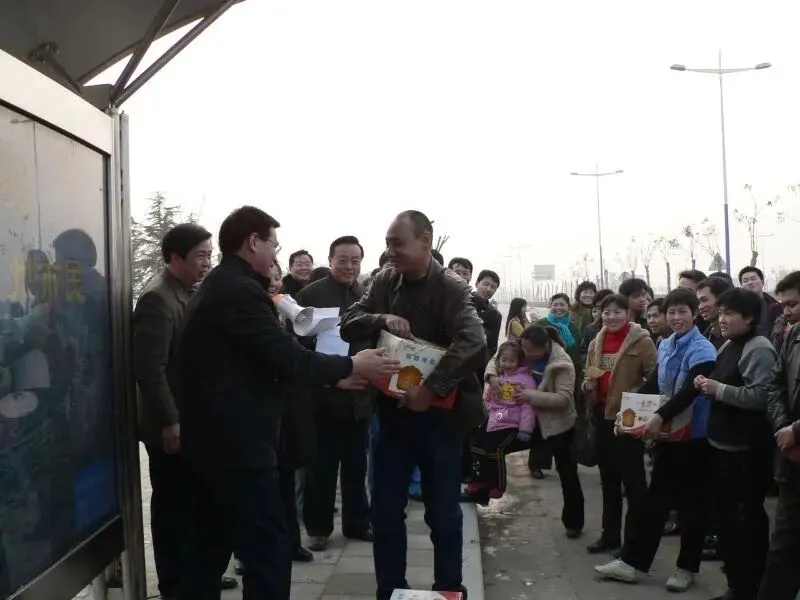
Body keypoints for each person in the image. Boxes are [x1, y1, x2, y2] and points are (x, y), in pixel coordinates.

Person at [175, 206, 399, 600]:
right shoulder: (238, 291)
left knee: (210, 549)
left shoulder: (223, 286)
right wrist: (352, 363)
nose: (275, 254)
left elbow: (263, 361)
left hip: (218, 443)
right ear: (253, 242)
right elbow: (286, 357)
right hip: (238, 446)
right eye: (273, 245)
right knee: (267, 551)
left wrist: (337, 374)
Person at [340, 210, 486, 600]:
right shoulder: (385, 281)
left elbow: (474, 342)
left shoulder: (451, 287)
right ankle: (390, 590)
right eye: (387, 244)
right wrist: (381, 317)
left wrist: (432, 389)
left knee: (444, 513)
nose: (390, 252)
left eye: (397, 243)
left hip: (442, 421)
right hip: (391, 417)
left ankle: (449, 589)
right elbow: (349, 321)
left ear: (425, 240)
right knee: (386, 511)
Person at [132, 224, 240, 598]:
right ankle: (173, 583)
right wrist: (170, 421)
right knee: (173, 508)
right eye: (200, 256)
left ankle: (195, 573)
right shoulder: (157, 299)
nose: (207, 263)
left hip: (190, 422)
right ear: (175, 258)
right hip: (169, 428)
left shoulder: (186, 291)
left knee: (191, 505)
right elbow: (150, 368)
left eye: (210, 255)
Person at [594, 288, 717, 592]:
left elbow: (690, 391)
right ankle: (633, 562)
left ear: (694, 314)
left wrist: (659, 415)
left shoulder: (703, 349)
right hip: (668, 435)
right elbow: (653, 383)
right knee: (656, 501)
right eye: (671, 312)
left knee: (691, 504)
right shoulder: (666, 344)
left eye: (682, 312)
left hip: (694, 437)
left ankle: (686, 568)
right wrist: (628, 414)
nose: (676, 317)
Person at [695, 288, 777, 600]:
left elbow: (761, 396)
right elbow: (722, 380)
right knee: (727, 519)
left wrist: (717, 389)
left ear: (750, 318)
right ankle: (736, 583)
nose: (722, 319)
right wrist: (706, 384)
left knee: (745, 520)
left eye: (729, 313)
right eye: (721, 312)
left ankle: (749, 586)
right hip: (722, 445)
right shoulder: (730, 343)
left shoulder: (759, 348)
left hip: (746, 451)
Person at [297, 236, 373, 552]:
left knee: (356, 466)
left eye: (355, 260)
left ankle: (357, 523)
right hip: (324, 397)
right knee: (321, 468)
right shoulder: (310, 295)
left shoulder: (366, 296)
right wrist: (329, 380)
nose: (349, 266)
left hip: (359, 398)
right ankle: (318, 528)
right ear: (330, 260)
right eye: (343, 259)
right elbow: (298, 347)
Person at [485, 325, 586, 538]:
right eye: (524, 349)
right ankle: (484, 488)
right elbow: (497, 358)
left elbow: (564, 399)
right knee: (489, 441)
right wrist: (492, 377)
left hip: (558, 425)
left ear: (545, 346)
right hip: (527, 420)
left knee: (567, 473)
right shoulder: (522, 347)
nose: (526, 355)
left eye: (532, 352)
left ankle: (574, 522)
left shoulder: (562, 363)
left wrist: (530, 396)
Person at [582, 293, 656, 555]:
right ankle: (610, 535)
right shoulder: (596, 342)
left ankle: (636, 542)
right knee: (609, 480)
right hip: (602, 417)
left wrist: (636, 394)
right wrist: (588, 384)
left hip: (628, 418)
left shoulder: (642, 341)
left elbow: (654, 377)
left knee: (633, 482)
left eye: (617, 312)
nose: (611, 317)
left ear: (628, 313)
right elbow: (590, 373)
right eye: (606, 312)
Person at [760, 270, 800, 600]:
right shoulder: (793, 335)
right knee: (784, 546)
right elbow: (774, 385)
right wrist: (783, 428)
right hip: (792, 459)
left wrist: (797, 431)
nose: (786, 312)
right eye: (784, 305)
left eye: (793, 304)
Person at [463, 342, 536, 503]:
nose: (507, 364)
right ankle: (478, 483)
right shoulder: (499, 378)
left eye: (512, 361)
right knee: (476, 443)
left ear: (519, 362)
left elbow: (528, 407)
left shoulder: (525, 381)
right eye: (504, 360)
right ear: (498, 361)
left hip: (512, 423)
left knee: (496, 449)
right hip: (497, 419)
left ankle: (498, 485)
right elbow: (489, 400)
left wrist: (525, 429)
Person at [739, 266, 783, 338]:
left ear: (762, 282)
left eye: (753, 279)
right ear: (741, 286)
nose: (750, 283)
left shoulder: (776, 306)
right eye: (745, 281)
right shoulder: (736, 308)